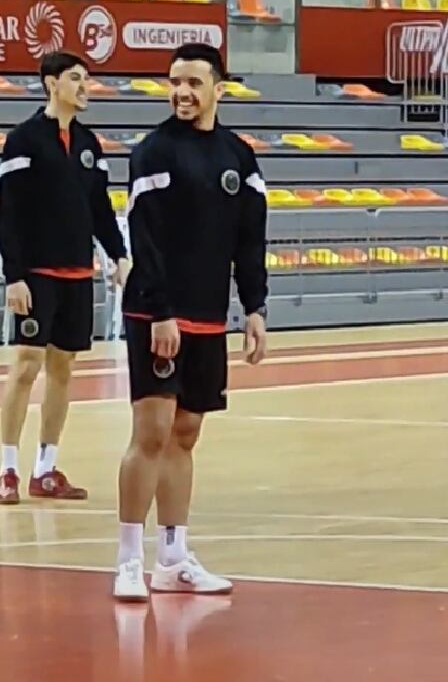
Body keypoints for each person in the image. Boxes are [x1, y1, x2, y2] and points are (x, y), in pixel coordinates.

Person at [112, 43, 269, 601]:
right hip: (156, 311)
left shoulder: (240, 158)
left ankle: (173, 557)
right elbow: (144, 238)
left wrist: (254, 307)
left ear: (218, 89)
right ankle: (129, 559)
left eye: (193, 83)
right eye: (174, 82)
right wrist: (159, 311)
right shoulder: (152, 152)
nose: (182, 92)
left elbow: (250, 241)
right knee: (151, 433)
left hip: (208, 315)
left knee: (186, 434)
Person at [0, 51, 131, 505]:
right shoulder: (23, 140)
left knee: (63, 368)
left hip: (77, 272)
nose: (84, 86)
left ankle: (45, 469)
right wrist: (14, 275)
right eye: (76, 78)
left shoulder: (91, 145)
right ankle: (7, 469)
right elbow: (7, 213)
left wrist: (119, 256)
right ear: (52, 83)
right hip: (34, 273)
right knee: (27, 363)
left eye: (86, 78)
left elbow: (100, 210)